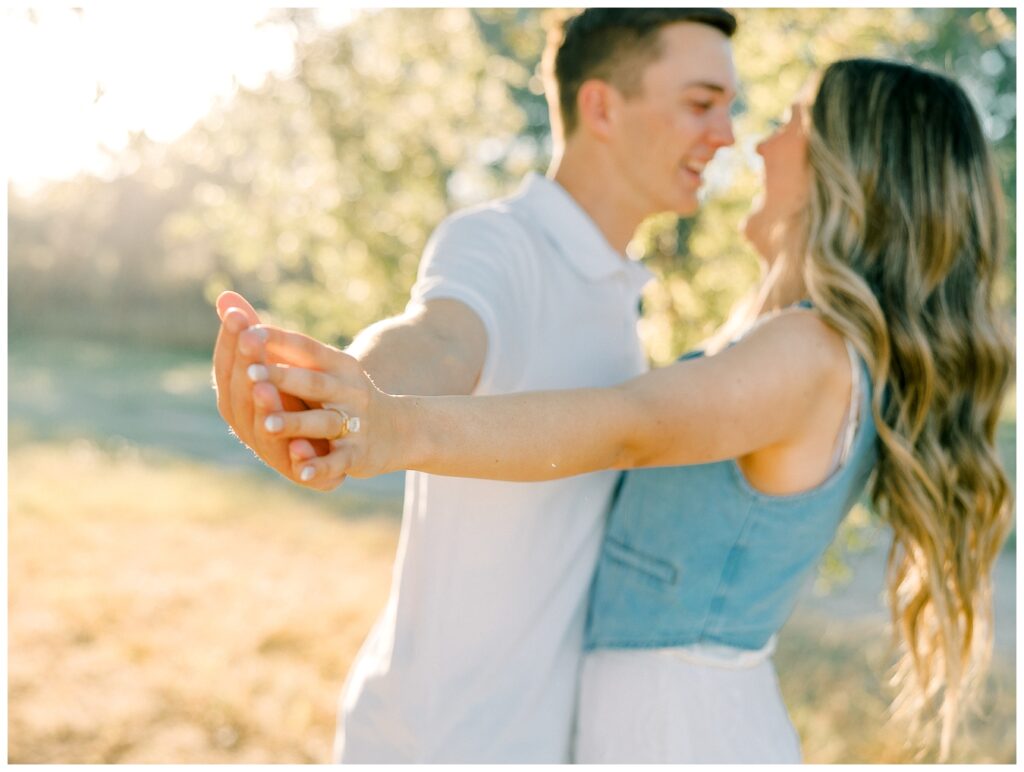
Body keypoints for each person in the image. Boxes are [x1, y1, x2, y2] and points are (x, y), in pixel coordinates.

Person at [241, 59, 1013, 762]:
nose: (761, 145)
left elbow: (630, 427)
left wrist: (397, 427)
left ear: (847, 170)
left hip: (684, 729)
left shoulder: (810, 349)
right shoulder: (817, 344)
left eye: (791, 124)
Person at [213, 9, 739, 762]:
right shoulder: (499, 239)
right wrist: (352, 392)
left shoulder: (619, 287)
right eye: (701, 102)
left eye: (728, 107)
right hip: (438, 739)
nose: (725, 133)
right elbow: (440, 336)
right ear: (601, 106)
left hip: (535, 740)